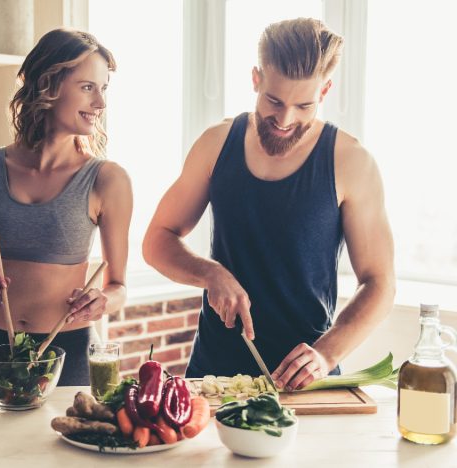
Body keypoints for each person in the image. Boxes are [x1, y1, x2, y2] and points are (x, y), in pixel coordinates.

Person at [142, 18, 395, 391]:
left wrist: (326, 353)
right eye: (274, 101)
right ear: (256, 79)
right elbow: (156, 241)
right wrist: (209, 273)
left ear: (324, 91)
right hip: (212, 376)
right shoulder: (215, 144)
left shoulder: (351, 161)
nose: (285, 119)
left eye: (303, 105)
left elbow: (380, 283)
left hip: (303, 381)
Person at [0, 28, 133, 387]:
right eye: (88, 87)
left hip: (68, 351)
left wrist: (102, 301)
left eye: (104, 89)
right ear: (48, 85)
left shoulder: (108, 180)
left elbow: (118, 286)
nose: (100, 103)